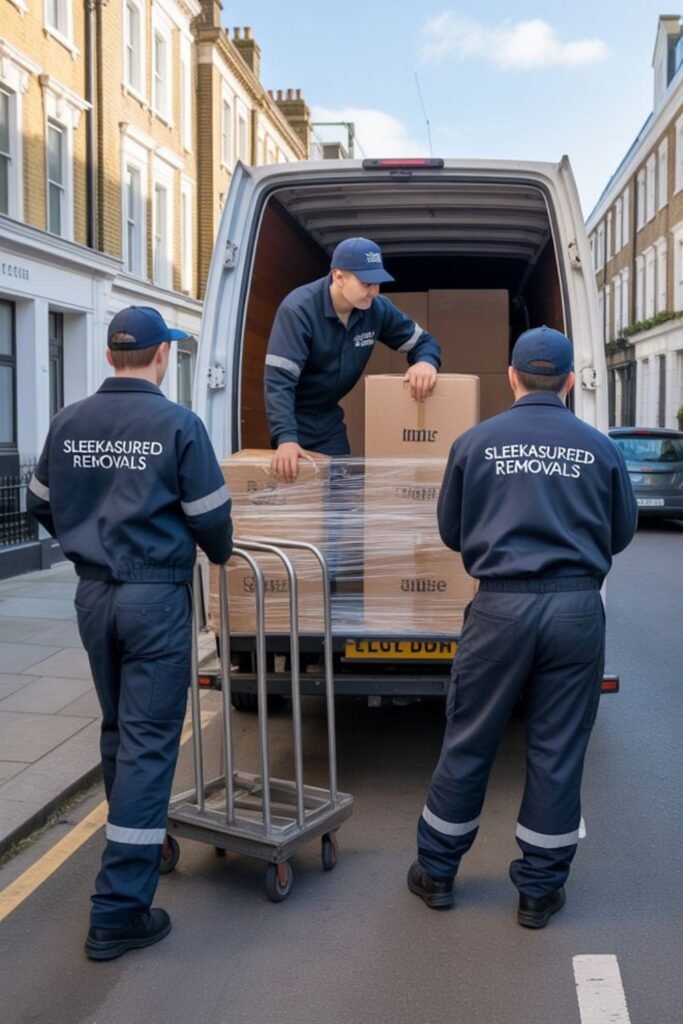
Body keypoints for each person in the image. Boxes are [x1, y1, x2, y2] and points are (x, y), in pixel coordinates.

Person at [407, 326, 637, 927]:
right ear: (566, 382)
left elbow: (453, 533)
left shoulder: (475, 443)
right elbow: (620, 533)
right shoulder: (600, 447)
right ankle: (539, 891)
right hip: (575, 608)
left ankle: (436, 873)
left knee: (470, 738)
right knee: (558, 749)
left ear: (510, 376)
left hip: (499, 608)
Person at [27, 306, 233, 960]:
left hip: (94, 594)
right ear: (160, 355)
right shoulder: (177, 425)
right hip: (155, 599)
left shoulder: (69, 421)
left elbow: (36, 502)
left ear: (113, 355)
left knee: (119, 729)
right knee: (148, 742)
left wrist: (84, 541)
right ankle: (119, 909)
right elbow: (214, 524)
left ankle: (141, 838)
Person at [264, 236, 442, 480]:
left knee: (341, 492)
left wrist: (425, 362)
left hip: (329, 419)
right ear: (339, 277)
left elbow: (424, 341)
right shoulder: (298, 310)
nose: (374, 291)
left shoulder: (377, 309)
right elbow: (279, 382)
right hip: (294, 419)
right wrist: (285, 438)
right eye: (366, 283)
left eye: (378, 283)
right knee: (300, 498)